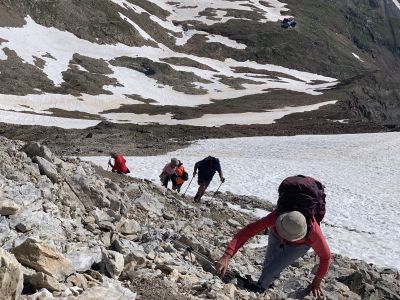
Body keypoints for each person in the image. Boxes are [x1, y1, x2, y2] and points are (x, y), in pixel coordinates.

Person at [216, 209, 331, 297]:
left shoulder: (314, 233)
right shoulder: (277, 216)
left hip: (299, 245)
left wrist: (316, 282)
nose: (286, 238)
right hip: (276, 234)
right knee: (268, 263)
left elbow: (326, 257)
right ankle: (264, 285)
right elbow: (248, 231)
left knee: (271, 271)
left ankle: (261, 288)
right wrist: (227, 255)